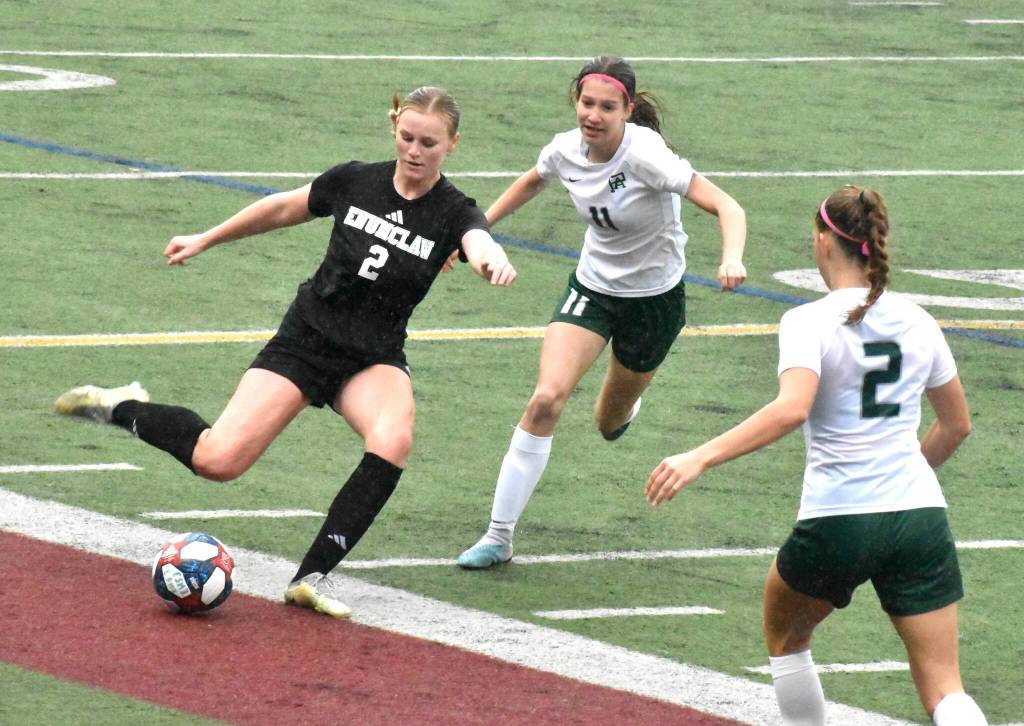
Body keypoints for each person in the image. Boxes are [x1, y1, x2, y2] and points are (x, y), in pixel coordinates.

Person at [55, 86, 518, 618]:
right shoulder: (355, 180)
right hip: (305, 342)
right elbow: (281, 208)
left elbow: (479, 240)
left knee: (393, 438)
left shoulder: (453, 211)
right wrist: (206, 237)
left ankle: (311, 577)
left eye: (429, 143)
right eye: (407, 137)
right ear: (394, 128)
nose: (415, 151)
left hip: (371, 358)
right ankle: (118, 405)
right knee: (218, 461)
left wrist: (489, 262)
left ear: (453, 144)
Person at [645, 186, 986, 725]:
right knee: (945, 687)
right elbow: (957, 424)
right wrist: (904, 476)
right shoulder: (919, 320)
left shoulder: (808, 321)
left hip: (838, 518)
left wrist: (700, 456)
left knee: (787, 636)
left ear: (824, 241)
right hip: (920, 515)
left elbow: (791, 409)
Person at [456, 55, 747, 569]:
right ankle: (499, 536)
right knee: (546, 399)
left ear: (627, 110)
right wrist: (477, 229)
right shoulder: (565, 150)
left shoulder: (647, 156)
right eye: (586, 103)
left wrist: (731, 257)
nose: (593, 115)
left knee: (607, 422)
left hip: (654, 302)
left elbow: (729, 206)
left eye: (607, 107)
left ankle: (625, 409)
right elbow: (531, 181)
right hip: (591, 289)